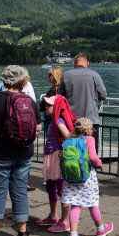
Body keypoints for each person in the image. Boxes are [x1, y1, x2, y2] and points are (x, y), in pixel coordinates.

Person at [0, 65, 38, 236]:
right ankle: (23, 232)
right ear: (23, 81)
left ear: (4, 80)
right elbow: (38, 127)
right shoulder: (29, 101)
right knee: (20, 191)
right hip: (24, 152)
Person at [61, 118, 114, 236]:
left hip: (71, 177)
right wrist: (99, 164)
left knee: (75, 205)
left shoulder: (69, 140)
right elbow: (93, 157)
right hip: (87, 177)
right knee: (92, 203)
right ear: (88, 129)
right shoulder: (89, 139)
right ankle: (101, 229)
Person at [38, 94, 74, 228]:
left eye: (49, 105)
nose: (46, 107)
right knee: (51, 186)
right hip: (51, 155)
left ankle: (64, 221)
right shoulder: (54, 120)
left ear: (56, 107)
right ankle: (53, 216)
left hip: (56, 157)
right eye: (46, 104)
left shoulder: (58, 120)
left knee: (60, 188)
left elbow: (68, 136)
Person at [60, 53, 107, 127]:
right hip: (91, 121)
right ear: (87, 63)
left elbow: (60, 97)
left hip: (71, 120)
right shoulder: (95, 75)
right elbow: (103, 95)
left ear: (74, 63)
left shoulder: (65, 75)